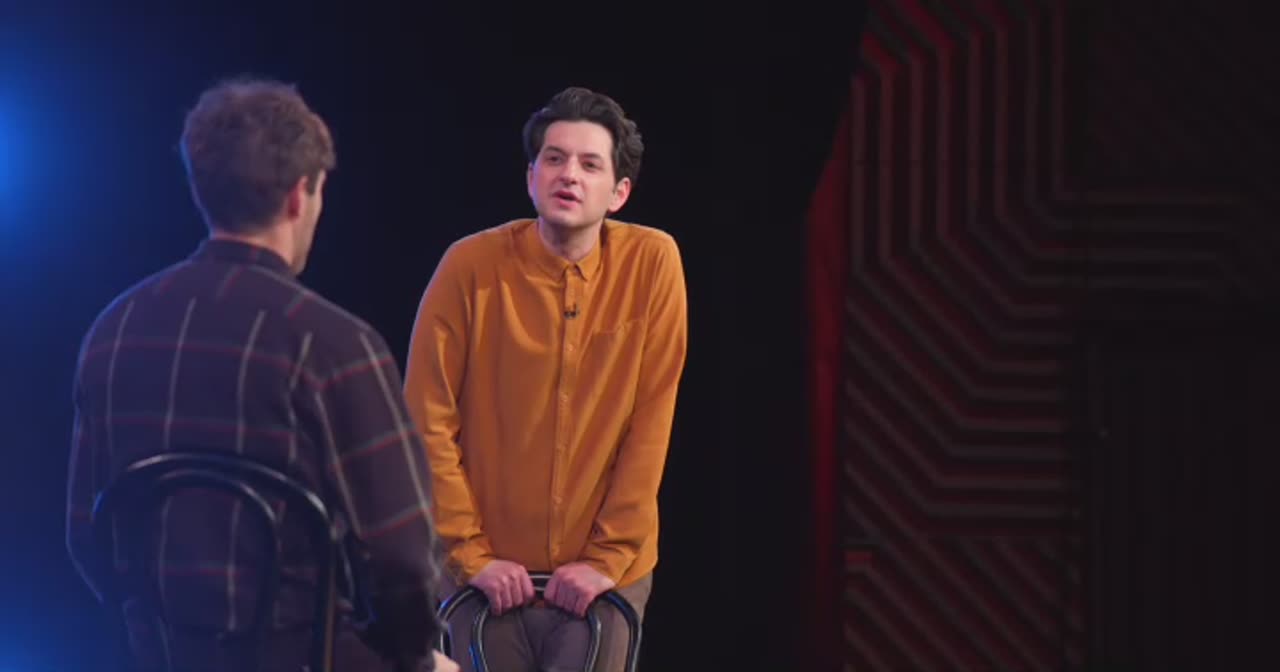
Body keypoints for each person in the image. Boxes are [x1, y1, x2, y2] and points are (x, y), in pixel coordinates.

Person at [65, 77, 459, 672]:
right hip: (305, 658)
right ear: (301, 195)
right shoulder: (335, 346)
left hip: (159, 657)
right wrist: (416, 659)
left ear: (201, 186)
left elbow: (86, 536)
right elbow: (403, 559)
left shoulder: (113, 332)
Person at [403, 86, 688, 671]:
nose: (569, 175)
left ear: (619, 193)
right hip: (482, 573)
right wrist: (471, 556)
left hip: (604, 575)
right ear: (530, 177)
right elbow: (425, 420)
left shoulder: (653, 263)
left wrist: (606, 559)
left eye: (590, 164)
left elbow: (651, 423)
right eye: (554, 159)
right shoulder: (469, 266)